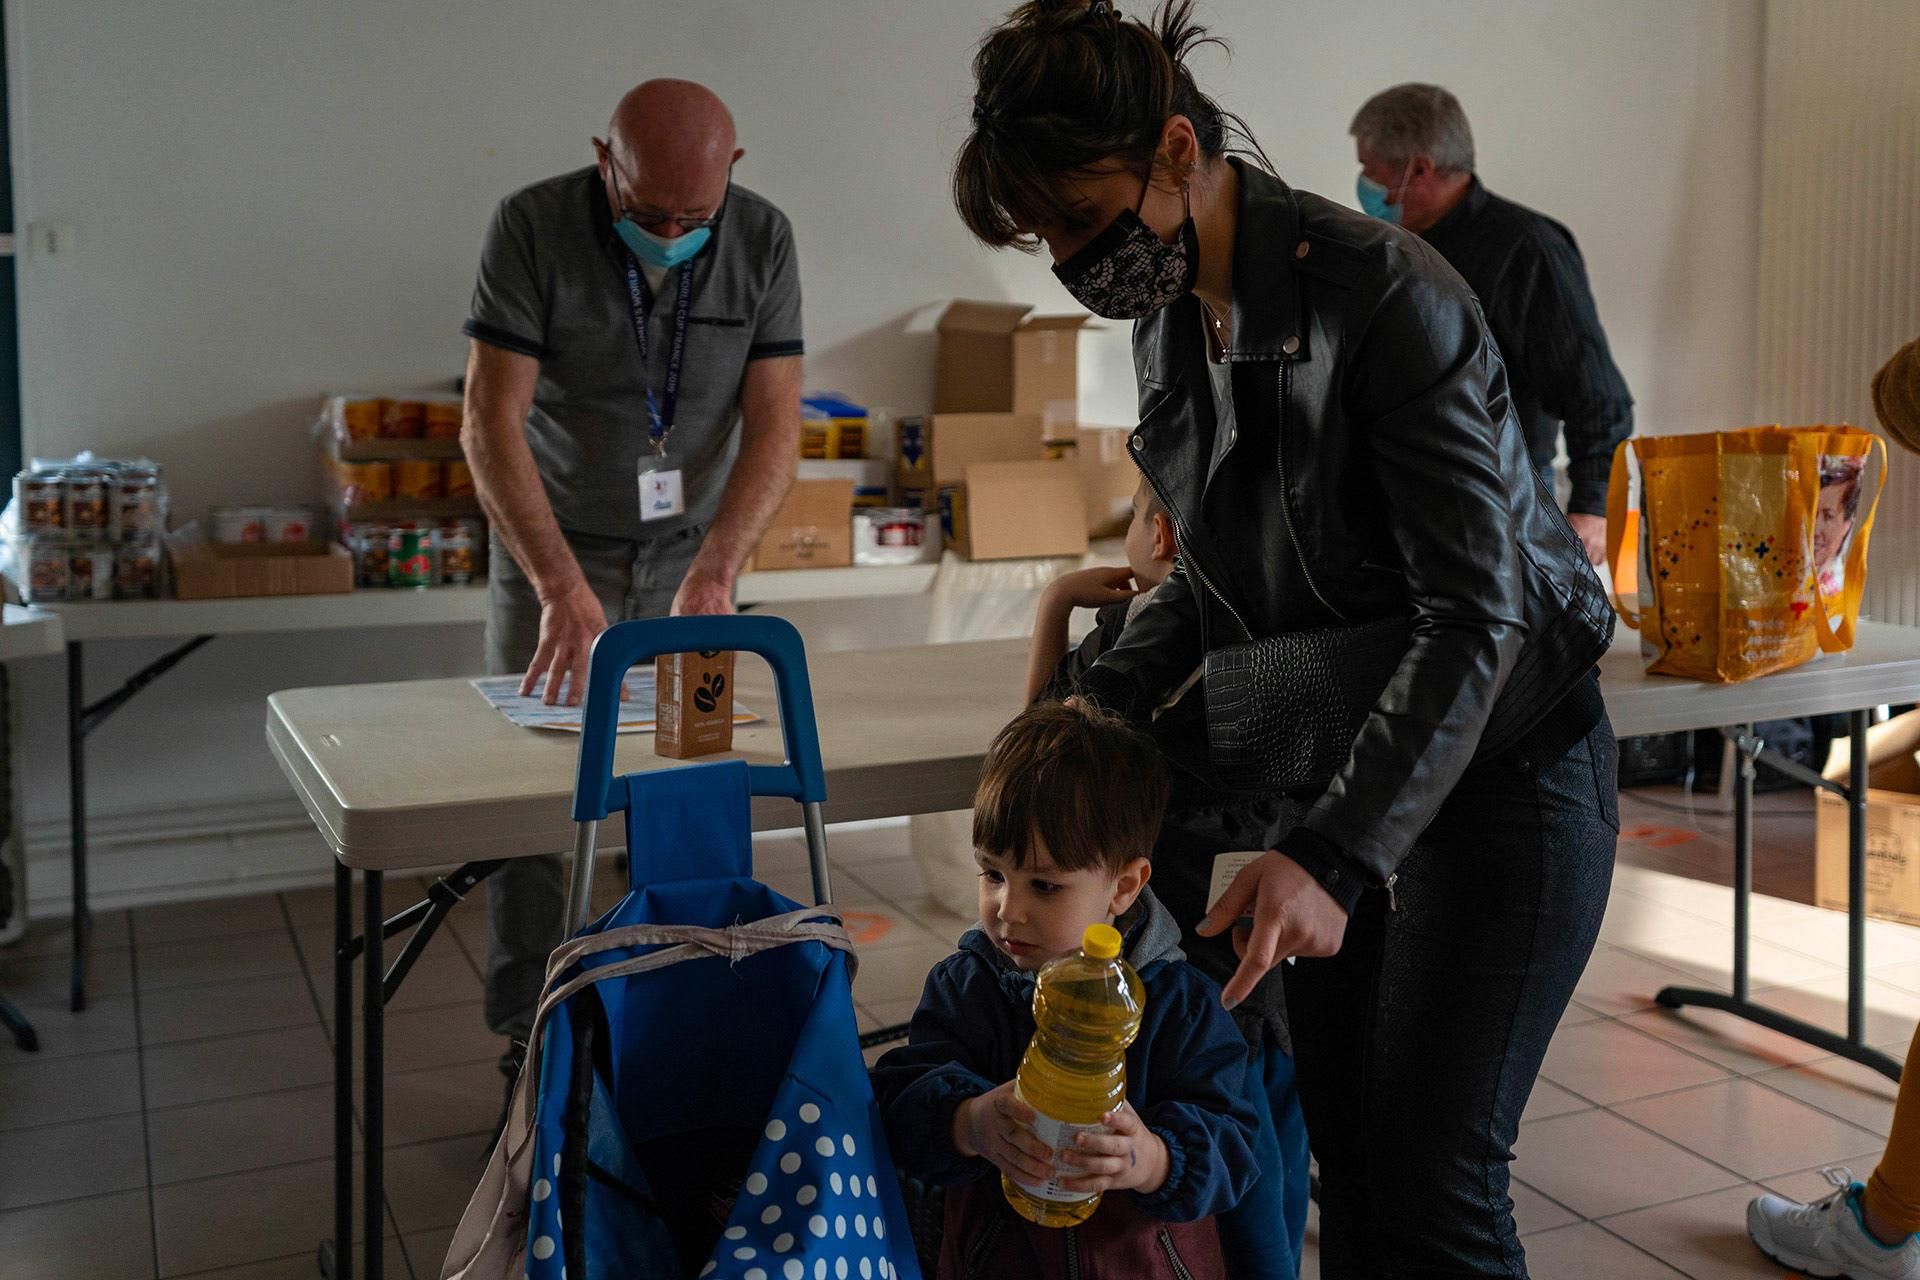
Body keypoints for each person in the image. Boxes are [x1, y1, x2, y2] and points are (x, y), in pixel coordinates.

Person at [956, 3, 1619, 1275]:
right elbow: (1217, 584)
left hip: (1505, 779)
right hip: (1358, 767)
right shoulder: (1173, 319)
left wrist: (1331, 852)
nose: (1067, 258)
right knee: (1351, 1165)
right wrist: (1080, 721)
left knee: (1437, 1186)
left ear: (1171, 149)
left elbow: (1476, 611)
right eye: (1043, 236)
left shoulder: (1383, 295)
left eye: (1077, 219)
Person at [460, 79, 804, 1064]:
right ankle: (532, 1041)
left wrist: (719, 566)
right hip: (553, 546)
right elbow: (490, 421)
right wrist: (558, 584)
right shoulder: (530, 225)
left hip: (692, 555)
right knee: (537, 791)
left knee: (692, 779)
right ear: (603, 157)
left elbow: (777, 426)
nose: (669, 231)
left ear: (731, 175)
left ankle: (682, 1014)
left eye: (693, 217)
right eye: (647, 212)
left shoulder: (764, 239)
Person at [1026, 477, 1311, 1278]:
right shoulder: (1286, 643)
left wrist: (1055, 605)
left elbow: (1035, 758)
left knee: (1230, 1172)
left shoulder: (1125, 641)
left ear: (1162, 541)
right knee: (1273, 1161)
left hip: (1173, 975)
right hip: (1272, 961)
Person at [873, 702, 1261, 1279]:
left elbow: (1235, 1147)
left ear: (1124, 887)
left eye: (1045, 885)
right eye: (993, 874)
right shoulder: (967, 986)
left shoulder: (1180, 1003)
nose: (1008, 909)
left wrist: (1151, 1159)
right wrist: (969, 1121)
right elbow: (897, 1107)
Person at [1350, 83, 1634, 567]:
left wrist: (1591, 507)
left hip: (1500, 504)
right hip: (1400, 500)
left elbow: (1595, 393)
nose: (1362, 182)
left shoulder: (1526, 247)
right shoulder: (1388, 251)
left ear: (1419, 168)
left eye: (1370, 170)